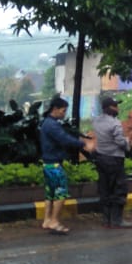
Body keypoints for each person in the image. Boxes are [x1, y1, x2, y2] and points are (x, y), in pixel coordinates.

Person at [39, 96, 94, 234]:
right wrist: (84, 144)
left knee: (50, 194)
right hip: (55, 165)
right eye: (63, 111)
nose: (64, 114)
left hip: (47, 164)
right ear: (55, 109)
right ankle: (54, 221)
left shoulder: (47, 123)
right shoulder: (52, 125)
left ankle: (47, 220)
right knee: (61, 194)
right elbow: (64, 139)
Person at [93, 96, 132, 229]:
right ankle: (117, 220)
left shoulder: (97, 121)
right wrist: (127, 144)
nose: (118, 108)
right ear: (110, 108)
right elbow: (120, 142)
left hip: (101, 158)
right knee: (119, 188)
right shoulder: (115, 123)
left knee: (104, 189)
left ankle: (106, 220)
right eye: (116, 106)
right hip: (114, 159)